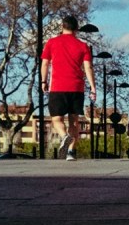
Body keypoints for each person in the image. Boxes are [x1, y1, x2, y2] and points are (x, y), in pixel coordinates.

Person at [40, 14, 96, 161]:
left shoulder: (51, 43)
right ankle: (70, 153)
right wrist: (93, 87)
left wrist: (43, 81)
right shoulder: (82, 46)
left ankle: (65, 137)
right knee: (74, 121)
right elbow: (88, 67)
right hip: (76, 87)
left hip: (58, 87)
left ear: (62, 27)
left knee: (56, 119)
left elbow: (45, 63)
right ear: (76, 29)